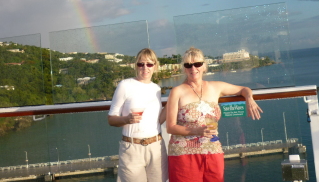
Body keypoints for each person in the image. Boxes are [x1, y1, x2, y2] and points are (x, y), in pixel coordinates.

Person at [166, 47, 263, 182]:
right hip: (184, 153)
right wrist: (197, 130)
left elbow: (243, 89)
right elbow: (170, 127)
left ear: (204, 66)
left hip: (212, 149)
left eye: (197, 64)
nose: (193, 68)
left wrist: (249, 99)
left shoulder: (216, 87)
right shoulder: (177, 91)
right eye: (188, 65)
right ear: (184, 68)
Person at [108, 48, 168, 182]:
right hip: (132, 148)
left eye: (149, 64)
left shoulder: (156, 89)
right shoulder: (125, 85)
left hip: (156, 147)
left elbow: (158, 121)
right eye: (141, 64)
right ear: (136, 66)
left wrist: (171, 103)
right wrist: (127, 119)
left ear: (155, 66)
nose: (145, 67)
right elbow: (111, 120)